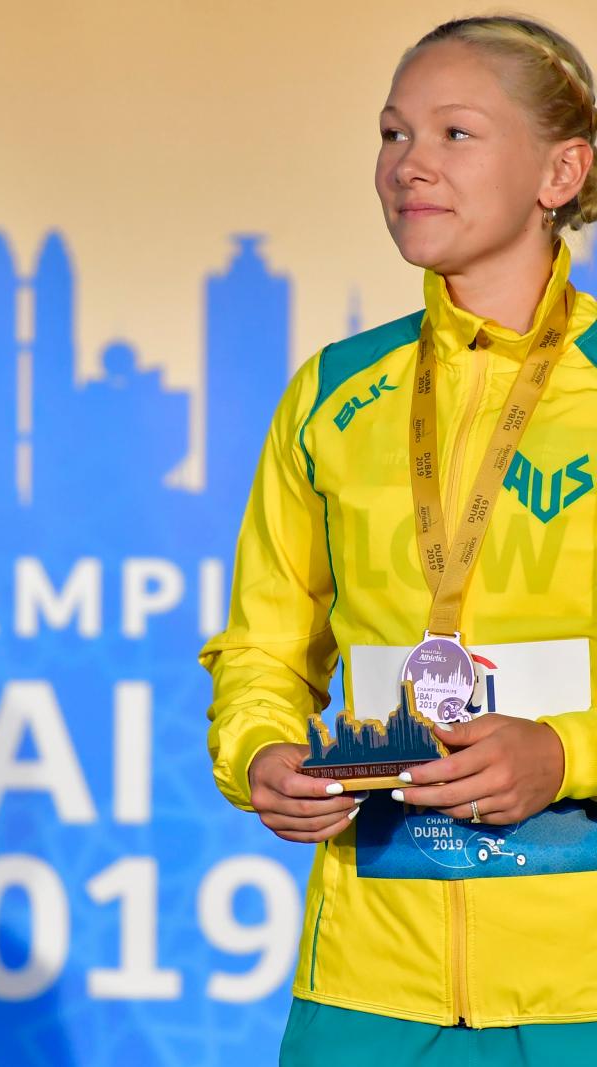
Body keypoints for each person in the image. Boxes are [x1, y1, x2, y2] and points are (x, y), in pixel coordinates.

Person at [199, 15, 597, 1066]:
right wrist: (259, 756)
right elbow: (260, 648)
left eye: (453, 133)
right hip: (367, 982)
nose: (405, 164)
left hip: (579, 983)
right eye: (388, 134)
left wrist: (564, 750)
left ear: (561, 168)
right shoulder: (333, 394)